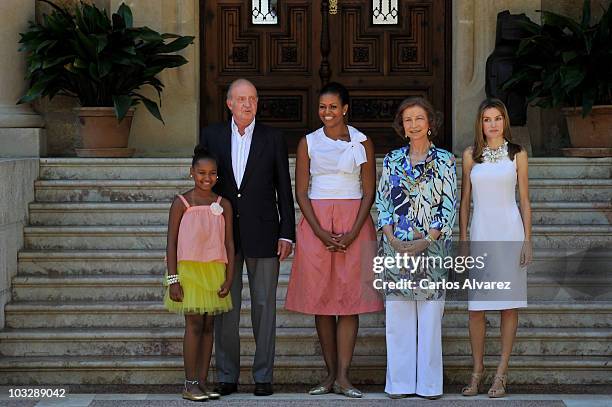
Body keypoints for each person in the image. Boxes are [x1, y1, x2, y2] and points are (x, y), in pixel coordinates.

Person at [285, 82, 384, 398]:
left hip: (354, 219)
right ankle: (329, 375)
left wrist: (355, 230)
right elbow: (301, 191)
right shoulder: (308, 143)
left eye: (332, 107)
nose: (326, 112)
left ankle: (344, 376)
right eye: (322, 107)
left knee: (350, 301)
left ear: (345, 109)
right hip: (317, 223)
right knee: (323, 301)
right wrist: (318, 230)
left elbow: (369, 190)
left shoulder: (362, 142)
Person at [199, 78, 295, 396]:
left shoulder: (273, 137)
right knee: (227, 306)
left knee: (265, 306)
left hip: (265, 232)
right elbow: (204, 184)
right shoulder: (211, 135)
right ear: (229, 103)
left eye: (252, 98)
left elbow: (284, 187)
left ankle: (264, 375)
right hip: (222, 234)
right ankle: (227, 375)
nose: (247, 104)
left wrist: (287, 233)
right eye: (240, 99)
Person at [375, 96, 457, 400]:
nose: (413, 124)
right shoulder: (392, 159)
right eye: (408, 119)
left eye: (419, 118)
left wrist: (427, 239)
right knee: (397, 318)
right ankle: (399, 384)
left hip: (432, 248)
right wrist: (391, 238)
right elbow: (383, 202)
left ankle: (429, 386)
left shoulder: (445, 160)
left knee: (430, 317)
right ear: (402, 125)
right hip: (396, 248)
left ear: (430, 123)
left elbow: (448, 207)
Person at [459, 98, 531, 398]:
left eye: (497, 118)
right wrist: (463, 239)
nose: (492, 124)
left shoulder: (518, 154)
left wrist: (528, 240)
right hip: (480, 233)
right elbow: (464, 201)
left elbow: (525, 200)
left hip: (510, 233)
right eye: (487, 119)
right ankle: (477, 372)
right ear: (480, 123)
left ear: (505, 121)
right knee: (476, 309)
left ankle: (501, 375)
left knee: (508, 306)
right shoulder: (470, 155)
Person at [163, 145, 235, 402]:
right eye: (201, 173)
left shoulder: (222, 203)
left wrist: (229, 277)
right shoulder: (181, 203)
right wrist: (173, 279)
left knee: (208, 325)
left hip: (214, 270)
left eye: (212, 173)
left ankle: (202, 382)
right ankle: (189, 382)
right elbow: (171, 242)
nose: (207, 178)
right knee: (194, 324)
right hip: (189, 271)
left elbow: (229, 244)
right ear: (191, 172)